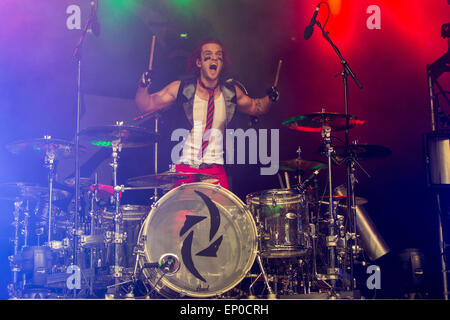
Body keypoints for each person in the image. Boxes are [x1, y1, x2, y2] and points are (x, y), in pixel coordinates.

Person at [135, 38, 279, 190]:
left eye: (219, 56)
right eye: (208, 55)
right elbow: (145, 105)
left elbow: (258, 107)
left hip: (215, 169)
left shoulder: (231, 93)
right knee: (182, 213)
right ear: (199, 62)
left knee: (223, 213)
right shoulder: (181, 88)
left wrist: (271, 98)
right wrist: (142, 86)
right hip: (185, 168)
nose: (214, 58)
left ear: (221, 64)